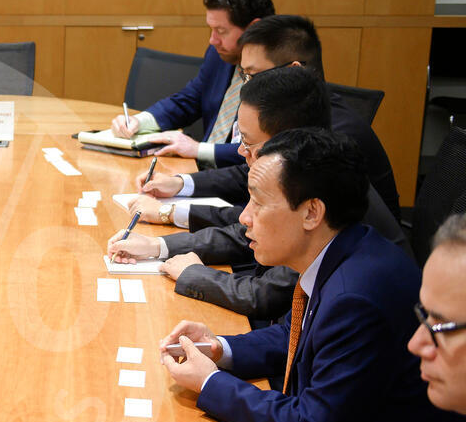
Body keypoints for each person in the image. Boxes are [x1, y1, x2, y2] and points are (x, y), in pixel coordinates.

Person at [158, 128, 465, 422]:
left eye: (258, 203)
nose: (245, 218)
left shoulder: (356, 294)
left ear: (311, 213)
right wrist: (220, 349)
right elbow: (293, 333)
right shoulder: (346, 250)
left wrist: (210, 384)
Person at [107, 67, 408, 322]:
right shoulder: (305, 167)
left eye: (248, 142)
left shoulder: (320, 190)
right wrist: (158, 245)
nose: (240, 151)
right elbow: (247, 231)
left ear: (284, 141)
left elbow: (266, 295)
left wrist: (194, 272)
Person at [131, 14, 401, 223]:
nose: (247, 87)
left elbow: (271, 224)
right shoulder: (294, 112)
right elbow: (249, 174)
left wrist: (170, 214)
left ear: (294, 71)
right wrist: (181, 183)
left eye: (254, 75)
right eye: (244, 76)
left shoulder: (332, 135)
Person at [110, 0, 274, 168]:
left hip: (241, 179)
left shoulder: (280, 74)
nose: (213, 40)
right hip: (201, 170)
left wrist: (197, 149)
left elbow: (264, 151)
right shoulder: (219, 54)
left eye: (221, 31)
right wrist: (139, 121)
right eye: (211, 30)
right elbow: (190, 100)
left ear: (253, 28)